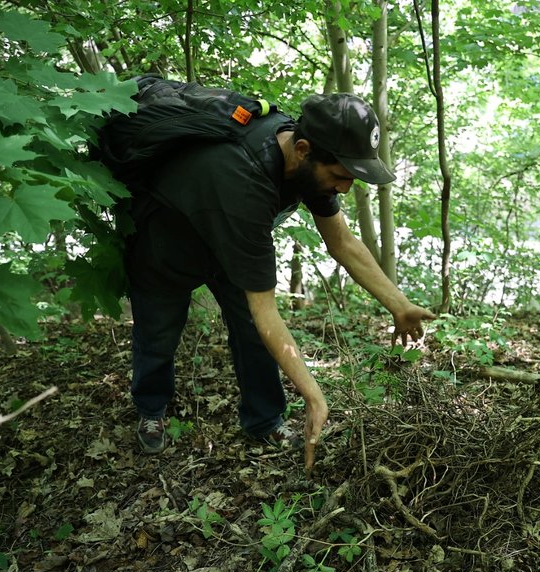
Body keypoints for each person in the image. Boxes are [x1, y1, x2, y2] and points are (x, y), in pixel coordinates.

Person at [123, 88, 435, 469]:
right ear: (303, 150)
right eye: (340, 175)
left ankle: (264, 420)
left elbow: (342, 241)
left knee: (253, 334)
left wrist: (398, 305)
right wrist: (314, 396)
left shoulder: (306, 161)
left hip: (228, 243)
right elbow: (266, 309)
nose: (345, 187)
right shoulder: (242, 179)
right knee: (158, 333)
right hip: (166, 243)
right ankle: (151, 409)